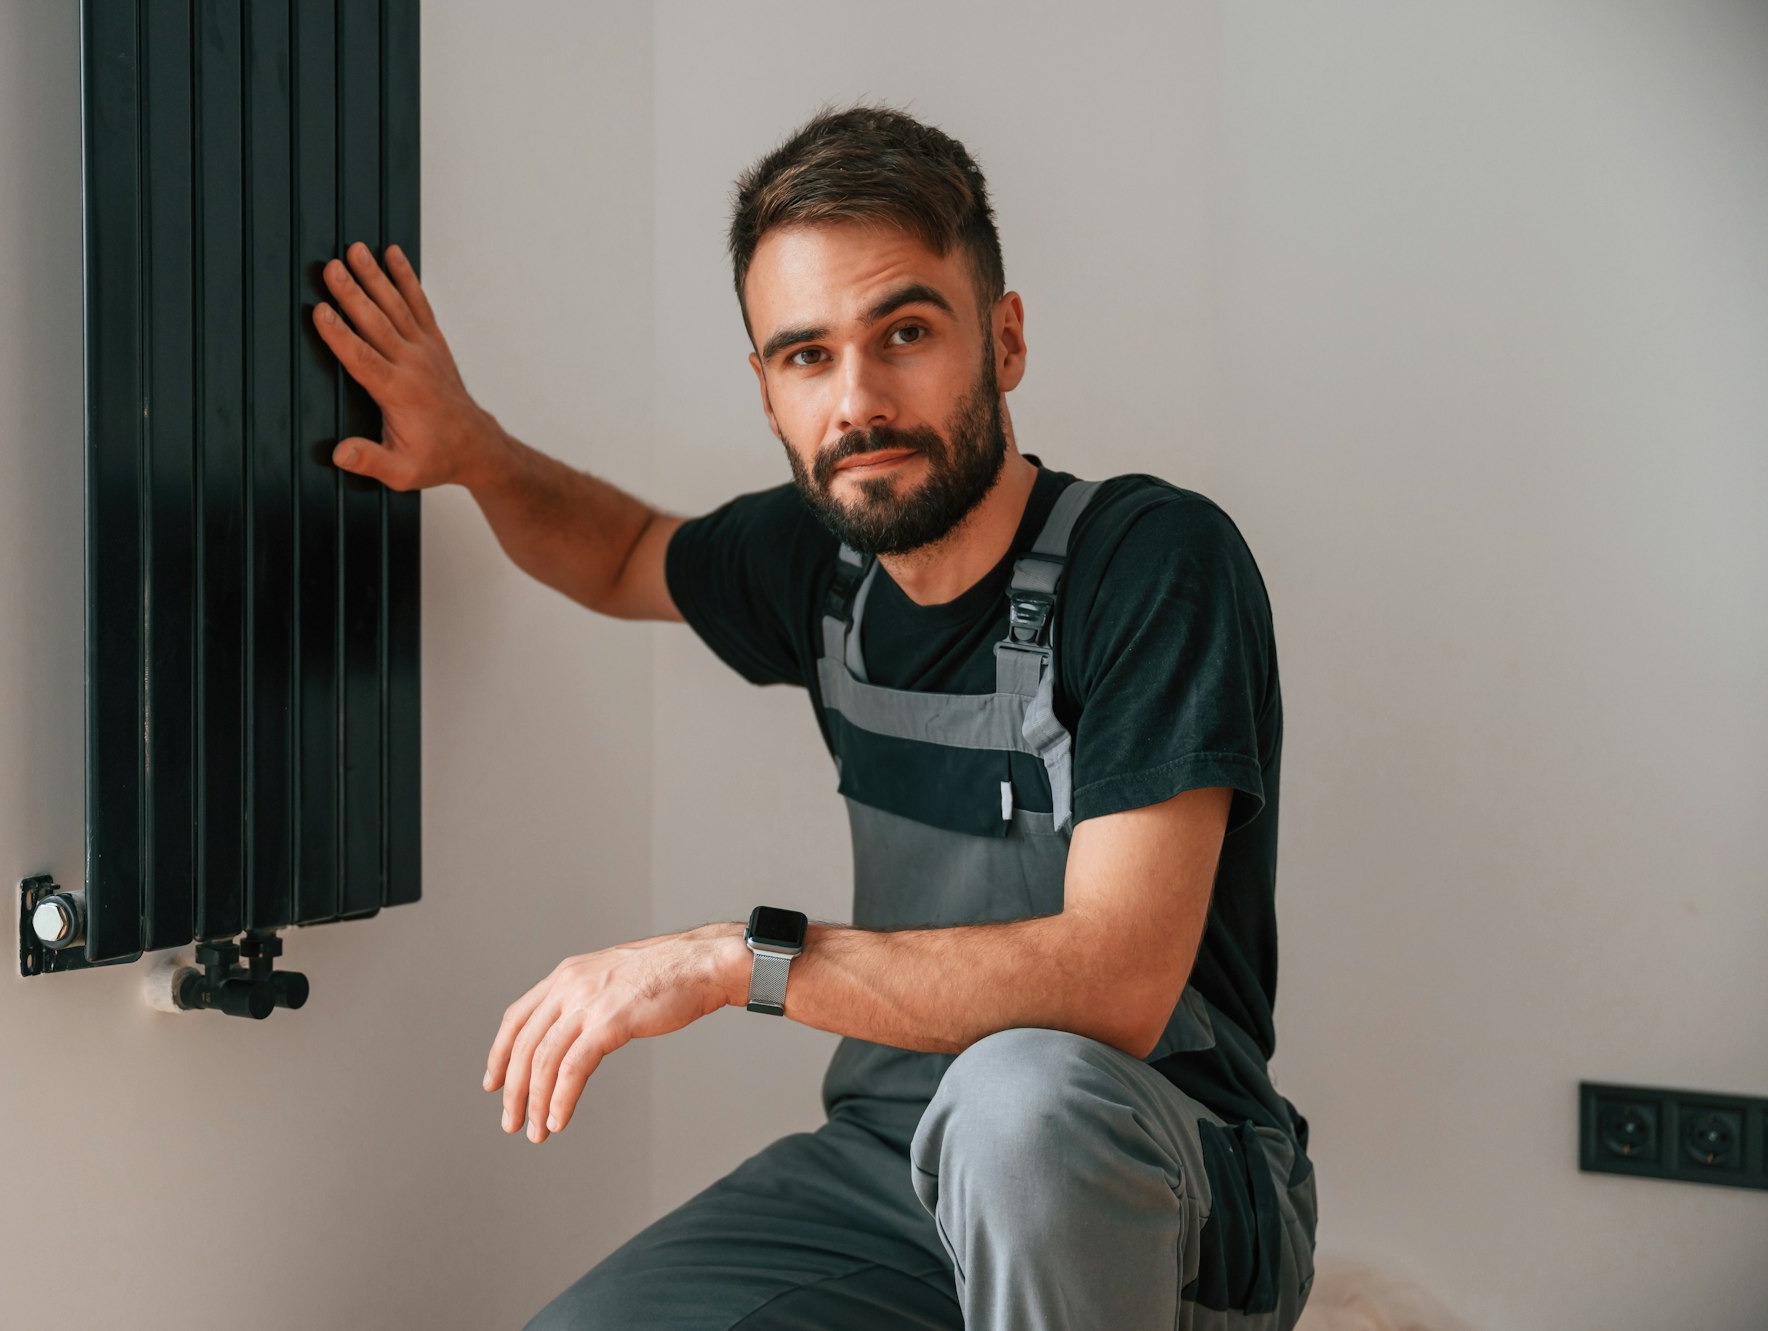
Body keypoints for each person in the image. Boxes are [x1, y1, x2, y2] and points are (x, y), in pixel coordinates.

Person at [313, 102, 1316, 1331]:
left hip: (1155, 1182)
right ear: (766, 386)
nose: (857, 400)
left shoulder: (1152, 563)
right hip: (890, 1168)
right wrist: (470, 450)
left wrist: (735, 956)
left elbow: (1114, 983)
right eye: (805, 355)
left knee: (1015, 1102)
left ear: (1002, 339)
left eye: (903, 331)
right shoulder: (819, 563)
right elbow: (625, 551)